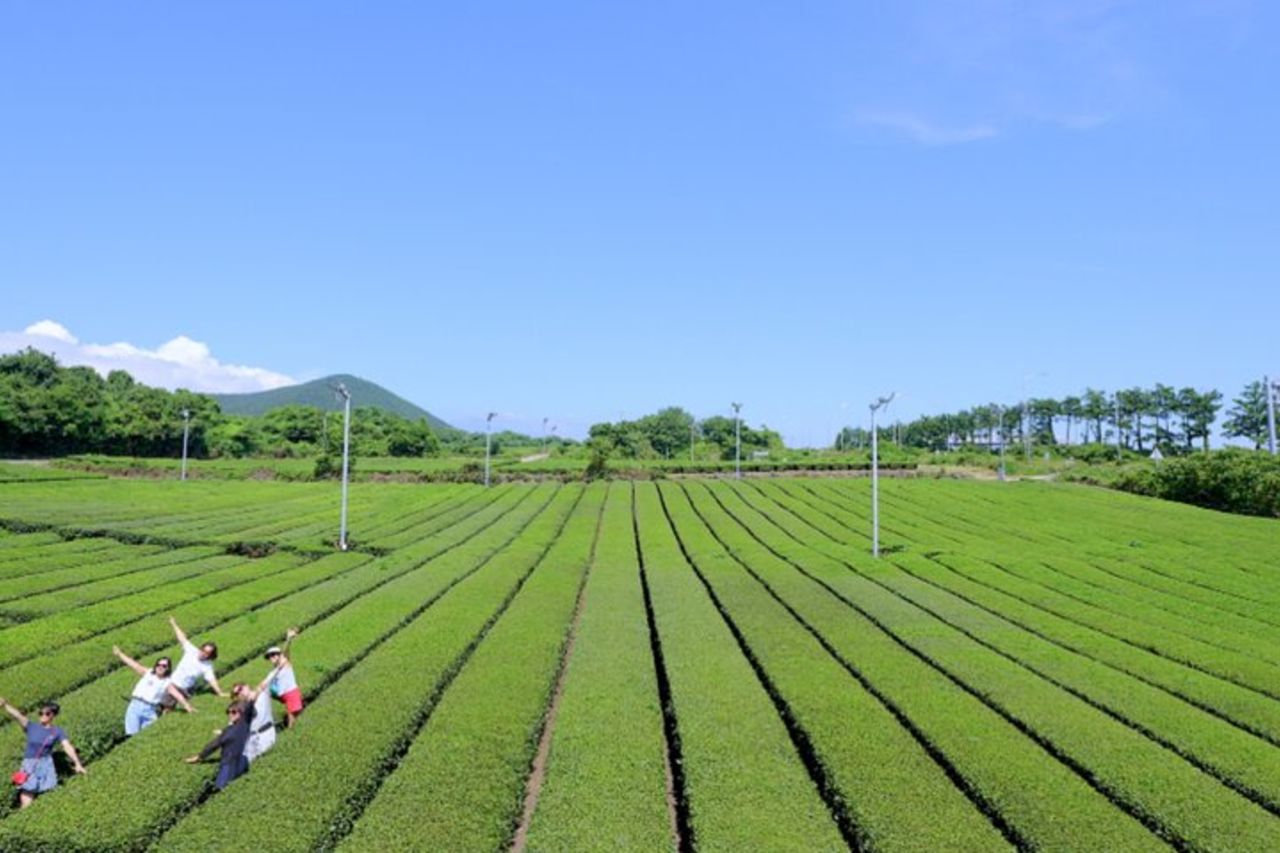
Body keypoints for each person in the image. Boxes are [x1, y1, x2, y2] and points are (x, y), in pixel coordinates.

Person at [0, 697, 86, 808]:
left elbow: (67, 746)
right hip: (30, 764)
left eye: (47, 713)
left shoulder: (57, 731)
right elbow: (18, 716)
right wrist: (5, 705)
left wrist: (77, 764)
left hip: (46, 764)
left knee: (48, 791)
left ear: (53, 715)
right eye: (41, 713)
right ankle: (26, 813)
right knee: (28, 791)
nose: (43, 715)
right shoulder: (31, 726)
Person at [112, 645, 196, 735]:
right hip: (135, 706)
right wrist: (120, 654)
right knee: (131, 735)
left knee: (148, 735)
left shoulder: (167, 682)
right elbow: (133, 665)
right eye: (158, 665)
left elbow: (177, 695)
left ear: (167, 668)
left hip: (150, 711)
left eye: (164, 666)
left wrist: (187, 706)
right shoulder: (148, 673)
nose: (160, 667)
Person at [162, 615, 228, 711]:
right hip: (172, 683)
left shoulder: (207, 666)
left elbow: (211, 679)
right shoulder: (191, 650)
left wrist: (219, 692)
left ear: (210, 655)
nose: (203, 654)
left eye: (207, 653)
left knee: (169, 708)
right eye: (203, 650)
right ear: (200, 648)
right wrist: (173, 624)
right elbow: (182, 638)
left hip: (184, 689)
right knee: (163, 705)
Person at [184, 700, 254, 790]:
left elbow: (213, 745)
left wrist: (199, 757)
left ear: (242, 712)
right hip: (242, 760)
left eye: (234, 712)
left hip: (228, 764)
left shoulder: (230, 733)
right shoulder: (245, 723)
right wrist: (223, 731)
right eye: (228, 712)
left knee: (220, 787)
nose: (230, 714)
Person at [230, 665, 281, 763]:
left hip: (266, 734)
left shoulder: (263, 694)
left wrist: (279, 666)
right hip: (251, 739)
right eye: (236, 694)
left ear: (247, 686)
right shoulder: (241, 707)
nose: (240, 693)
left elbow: (269, 678)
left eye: (240, 689)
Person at [263, 627, 303, 727]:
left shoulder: (285, 664)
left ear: (279, 655)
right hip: (284, 696)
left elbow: (285, 653)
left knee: (291, 719)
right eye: (269, 656)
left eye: (273, 655)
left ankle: (292, 730)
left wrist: (288, 639)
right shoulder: (274, 670)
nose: (271, 657)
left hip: (291, 693)